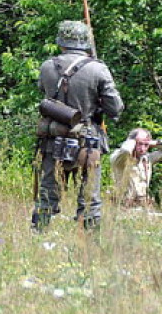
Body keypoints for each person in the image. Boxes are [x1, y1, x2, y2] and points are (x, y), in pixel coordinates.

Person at [33, 20, 124, 230]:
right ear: (85, 42)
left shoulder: (47, 66)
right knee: (89, 196)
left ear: (61, 41)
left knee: (47, 193)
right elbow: (116, 108)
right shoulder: (97, 69)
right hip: (87, 140)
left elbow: (42, 90)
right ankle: (89, 244)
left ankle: (38, 234)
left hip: (52, 138)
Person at [109, 128, 162, 208]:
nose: (142, 149)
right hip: (122, 205)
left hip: (141, 205)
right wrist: (132, 140)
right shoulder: (120, 158)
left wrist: (154, 143)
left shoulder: (147, 158)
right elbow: (126, 150)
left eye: (146, 145)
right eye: (139, 144)